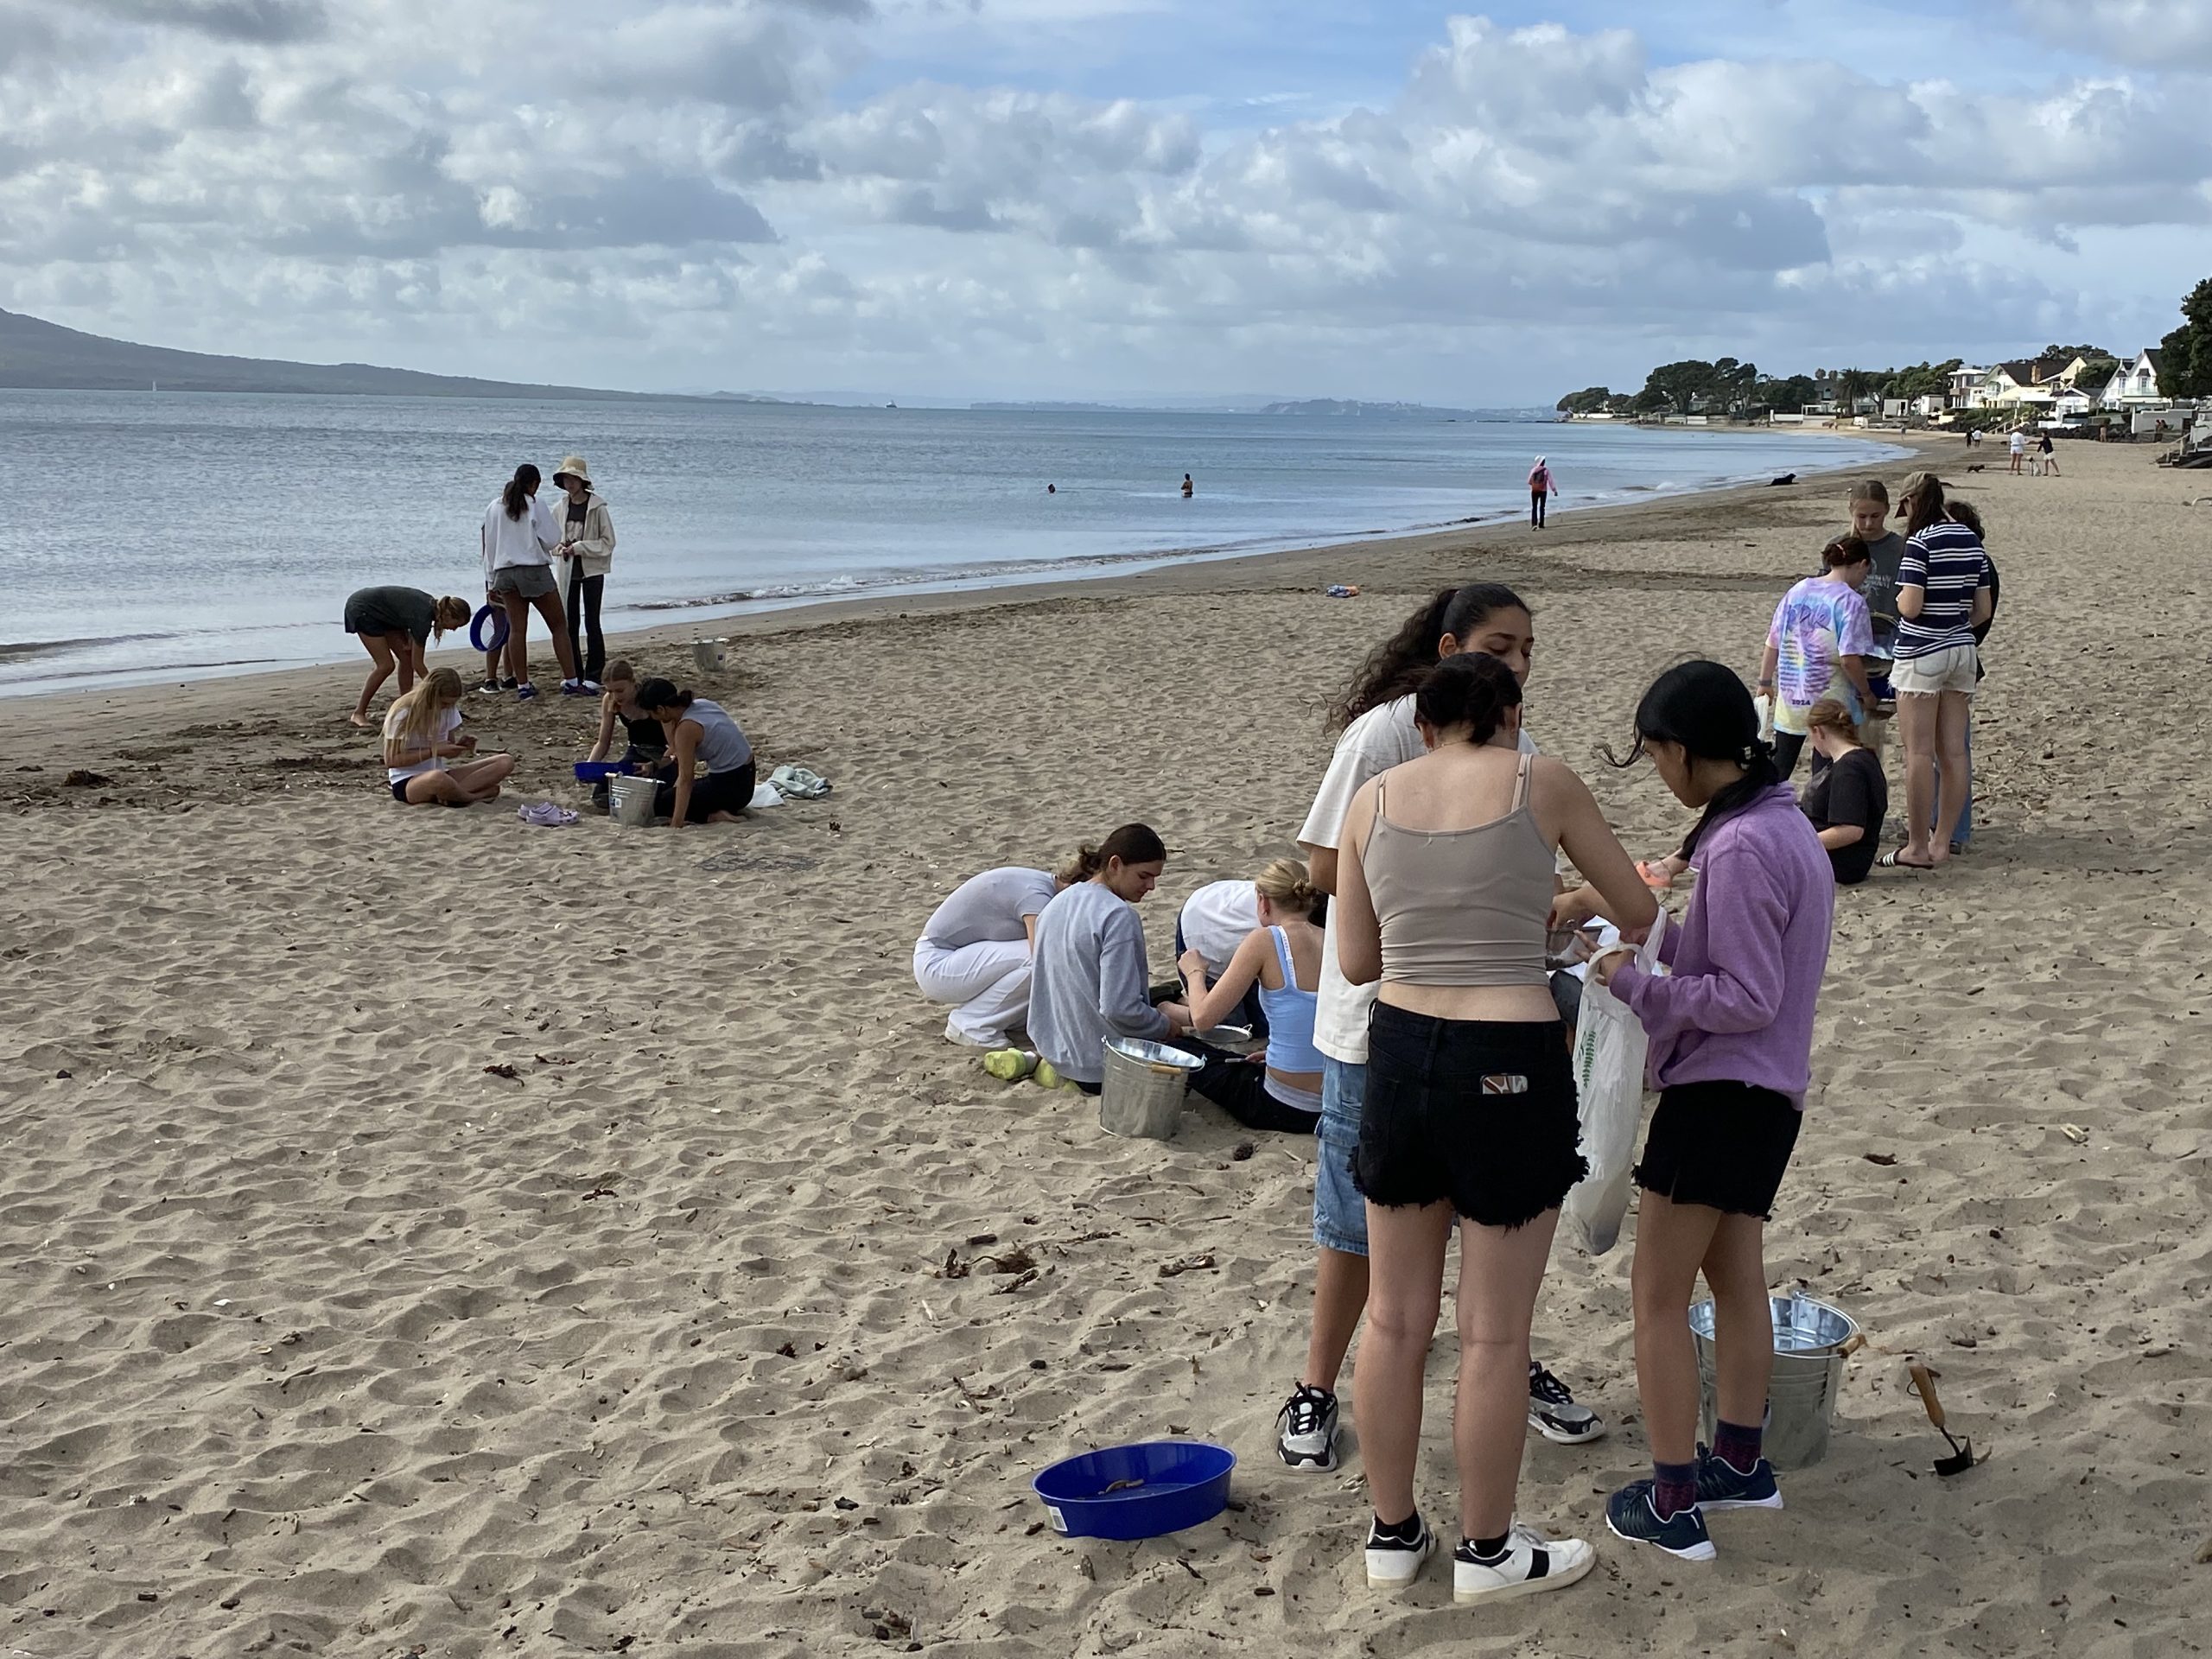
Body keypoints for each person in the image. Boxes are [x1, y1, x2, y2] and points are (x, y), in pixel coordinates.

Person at [1334, 653, 1657, 1602]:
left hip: (1398, 1052)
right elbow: (1634, 908)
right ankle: (1485, 1552)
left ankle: (1392, 1539)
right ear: (1510, 715)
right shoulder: (1540, 781)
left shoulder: (1372, 800)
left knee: (1393, 1320)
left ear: (1425, 725)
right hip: (1506, 1056)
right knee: (1493, 1335)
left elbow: (1355, 959)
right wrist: (1550, 916)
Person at [1279, 582, 1608, 1480]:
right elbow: (1320, 868)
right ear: (1452, 643)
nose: (1519, 665)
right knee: (1354, 1233)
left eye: (1529, 649)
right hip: (1379, 1024)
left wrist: (1535, 916)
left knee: (1484, 1248)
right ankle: (1314, 1387)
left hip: (1479, 1017)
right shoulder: (1388, 732)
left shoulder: (1521, 746)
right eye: (1502, 647)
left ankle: (1495, 1373)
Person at [1573, 660, 1834, 1563]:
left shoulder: (1741, 844)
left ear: (1683, 752)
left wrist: (1634, 985)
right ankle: (1740, 1463)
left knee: (1656, 1301)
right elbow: (1728, 957)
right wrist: (1643, 939)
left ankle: (1675, 1500)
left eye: (1654, 756)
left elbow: (1742, 994)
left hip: (1722, 1092)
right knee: (1734, 1281)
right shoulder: (1780, 823)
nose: (1657, 772)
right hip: (1768, 1094)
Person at [1883, 473, 1993, 870]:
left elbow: (1910, 606)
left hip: (1921, 651)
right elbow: (1982, 610)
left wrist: (1898, 598)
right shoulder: (1970, 540)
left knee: (1919, 752)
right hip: (1961, 649)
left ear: (1913, 501)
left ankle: (1916, 845)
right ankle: (1942, 841)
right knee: (1954, 752)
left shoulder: (1920, 543)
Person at [1027, 825, 1189, 1094]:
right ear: (1115, 864)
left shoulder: (1057, 902)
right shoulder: (1118, 916)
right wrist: (1165, 1026)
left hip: (1056, 1051)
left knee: (1164, 993)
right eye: (1144, 876)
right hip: (1101, 1068)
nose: (1151, 886)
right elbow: (1118, 1008)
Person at [1172, 858, 1326, 1134]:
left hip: (1283, 1106)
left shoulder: (1264, 940)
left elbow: (1203, 1018)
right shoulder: (1333, 938)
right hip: (1333, 1102)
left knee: (1186, 1049)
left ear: (1263, 902)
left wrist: (1195, 973)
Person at [1758, 537, 1875, 780]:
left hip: (1792, 697)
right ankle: (1819, 816)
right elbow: (1849, 658)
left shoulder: (1798, 590)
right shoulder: (1851, 602)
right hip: (1830, 701)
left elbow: (1773, 642)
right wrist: (1866, 693)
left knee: (1780, 766)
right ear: (1862, 564)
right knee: (1827, 770)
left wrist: (1765, 682)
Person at [914, 864, 1065, 1048]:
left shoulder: (1043, 884)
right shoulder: (1037, 897)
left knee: (1045, 956)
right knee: (1041, 957)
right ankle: (971, 1024)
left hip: (954, 958)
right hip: (937, 963)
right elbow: (1043, 961)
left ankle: (1001, 1018)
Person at [480, 463, 583, 700]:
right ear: (534, 484)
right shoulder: (535, 504)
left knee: (516, 630)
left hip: (504, 573)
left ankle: (523, 686)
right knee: (558, 626)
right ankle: (571, 681)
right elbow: (552, 539)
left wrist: (491, 581)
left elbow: (490, 547)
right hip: (533, 571)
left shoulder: (494, 507)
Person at [1937, 501, 2001, 853]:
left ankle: (1954, 828)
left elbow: (1982, 614)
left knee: (1951, 748)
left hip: (1954, 654)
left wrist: (1949, 632)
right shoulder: (1976, 559)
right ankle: (1944, 822)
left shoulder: (1976, 561)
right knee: (1942, 749)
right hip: (1959, 651)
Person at [380, 667, 515, 806]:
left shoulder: (449, 709)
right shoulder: (403, 712)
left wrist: (459, 747)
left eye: (452, 704)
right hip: (407, 781)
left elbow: (448, 752)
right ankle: (472, 797)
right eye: (444, 703)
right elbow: (391, 760)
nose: (447, 707)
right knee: (437, 778)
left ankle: (453, 795)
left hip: (441, 773)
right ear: (430, 695)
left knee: (505, 761)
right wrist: (433, 751)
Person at [634, 678, 755, 827]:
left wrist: (676, 823)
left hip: (731, 787)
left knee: (663, 803)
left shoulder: (686, 728)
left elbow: (686, 779)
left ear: (660, 709)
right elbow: (676, 753)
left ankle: (714, 817)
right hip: (747, 777)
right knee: (674, 792)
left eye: (652, 713)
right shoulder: (702, 704)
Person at [343, 588, 471, 728]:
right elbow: (418, 665)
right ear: (447, 615)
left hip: (386, 614)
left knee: (406, 658)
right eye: (456, 625)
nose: (454, 629)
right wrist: (437, 689)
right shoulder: (423, 618)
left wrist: (408, 637)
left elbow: (403, 612)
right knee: (386, 665)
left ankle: (405, 706)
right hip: (363, 609)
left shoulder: (431, 608)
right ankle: (358, 713)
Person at [1796, 697, 1885, 886]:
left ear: (1818, 731)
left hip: (1842, 862)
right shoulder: (1863, 758)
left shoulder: (1849, 770)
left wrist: (1800, 844)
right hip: (1841, 856)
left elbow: (1851, 830)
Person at [550, 455, 617, 692]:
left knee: (592, 622)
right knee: (569, 623)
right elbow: (549, 539)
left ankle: (594, 674)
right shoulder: (559, 508)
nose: (569, 483)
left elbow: (608, 542)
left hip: (592, 571)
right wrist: (560, 548)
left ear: (582, 481)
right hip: (567, 571)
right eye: (566, 478)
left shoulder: (597, 507)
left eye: (574, 478)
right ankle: (574, 673)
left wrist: (579, 548)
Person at [1177, 879, 1267, 1037]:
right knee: (1232, 1031)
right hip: (1202, 931)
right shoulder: (1268, 934)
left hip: (1225, 914)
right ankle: (1169, 1010)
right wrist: (1195, 974)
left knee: (1260, 1028)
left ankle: (1190, 1001)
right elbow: (1203, 1019)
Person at [1528, 456, 1556, 529]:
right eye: (1544, 461)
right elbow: (1550, 481)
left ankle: (1534, 524)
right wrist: (1554, 490)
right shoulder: (1546, 470)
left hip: (1534, 490)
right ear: (1542, 462)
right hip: (1543, 491)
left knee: (1534, 507)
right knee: (1542, 507)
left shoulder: (1533, 470)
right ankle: (1541, 524)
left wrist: (1535, 484)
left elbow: (1529, 481)